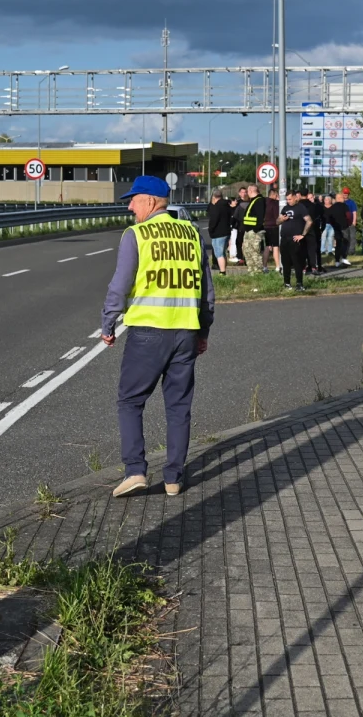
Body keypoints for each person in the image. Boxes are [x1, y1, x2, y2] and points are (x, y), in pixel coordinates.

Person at [102, 176, 215, 498]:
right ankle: (173, 479)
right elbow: (207, 288)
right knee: (179, 407)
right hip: (186, 332)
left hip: (149, 332)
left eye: (133, 199)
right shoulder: (192, 233)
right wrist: (203, 330)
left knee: (130, 400)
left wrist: (108, 324)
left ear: (150, 201)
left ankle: (136, 470)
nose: (129, 206)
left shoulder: (136, 235)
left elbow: (119, 286)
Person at [278, 190, 313, 290]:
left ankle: (299, 283)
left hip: (295, 239)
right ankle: (286, 283)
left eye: (290, 199)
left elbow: (309, 221)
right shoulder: (285, 208)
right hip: (284, 238)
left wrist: (303, 235)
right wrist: (282, 220)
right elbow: (277, 221)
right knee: (285, 262)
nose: (288, 201)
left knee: (296, 262)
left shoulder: (300, 207)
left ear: (295, 197)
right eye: (287, 199)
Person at [241, 184, 266, 273]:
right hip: (248, 231)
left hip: (254, 232)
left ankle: (258, 272)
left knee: (255, 252)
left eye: (247, 191)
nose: (246, 194)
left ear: (251, 191)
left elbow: (260, 217)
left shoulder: (259, 201)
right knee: (247, 251)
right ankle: (251, 271)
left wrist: (255, 230)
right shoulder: (253, 201)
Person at [206, 190, 231, 275]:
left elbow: (213, 219)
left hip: (218, 233)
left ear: (214, 197)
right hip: (226, 231)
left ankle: (222, 272)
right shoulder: (227, 205)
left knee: (219, 253)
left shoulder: (217, 207)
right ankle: (224, 270)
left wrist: (210, 230)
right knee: (223, 253)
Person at [326, 192, 351, 267]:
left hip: (336, 227)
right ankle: (344, 257)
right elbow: (348, 215)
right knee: (346, 242)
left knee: (338, 244)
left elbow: (328, 218)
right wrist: (349, 223)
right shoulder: (344, 206)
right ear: (339, 198)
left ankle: (337, 261)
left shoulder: (332, 207)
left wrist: (333, 225)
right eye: (342, 197)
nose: (344, 198)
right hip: (344, 227)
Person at [305, 190, 326, 274]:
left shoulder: (318, 206)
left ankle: (319, 266)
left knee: (317, 248)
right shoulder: (307, 207)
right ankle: (310, 265)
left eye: (311, 197)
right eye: (308, 198)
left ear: (313, 197)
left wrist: (322, 229)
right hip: (309, 230)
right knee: (308, 248)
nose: (310, 199)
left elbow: (323, 218)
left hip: (317, 229)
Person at [230, 186, 249, 264]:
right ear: (239, 193)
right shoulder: (238, 203)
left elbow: (235, 215)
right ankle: (241, 257)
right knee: (240, 242)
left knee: (243, 242)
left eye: (245, 192)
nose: (244, 194)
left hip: (244, 226)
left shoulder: (247, 202)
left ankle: (243, 257)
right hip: (241, 226)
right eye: (242, 192)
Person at [264, 187, 281, 272]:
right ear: (274, 195)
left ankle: (265, 266)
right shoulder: (275, 203)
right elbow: (277, 216)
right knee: (275, 247)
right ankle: (278, 266)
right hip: (274, 227)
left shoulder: (264, 202)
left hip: (265, 226)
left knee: (267, 247)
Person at [343, 187, 358, 265]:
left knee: (352, 237)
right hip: (343, 223)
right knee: (345, 237)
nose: (345, 195)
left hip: (351, 222)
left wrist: (354, 221)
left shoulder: (351, 202)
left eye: (346, 194)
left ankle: (351, 251)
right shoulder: (341, 202)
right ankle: (345, 251)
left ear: (348, 194)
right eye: (344, 194)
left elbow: (354, 212)